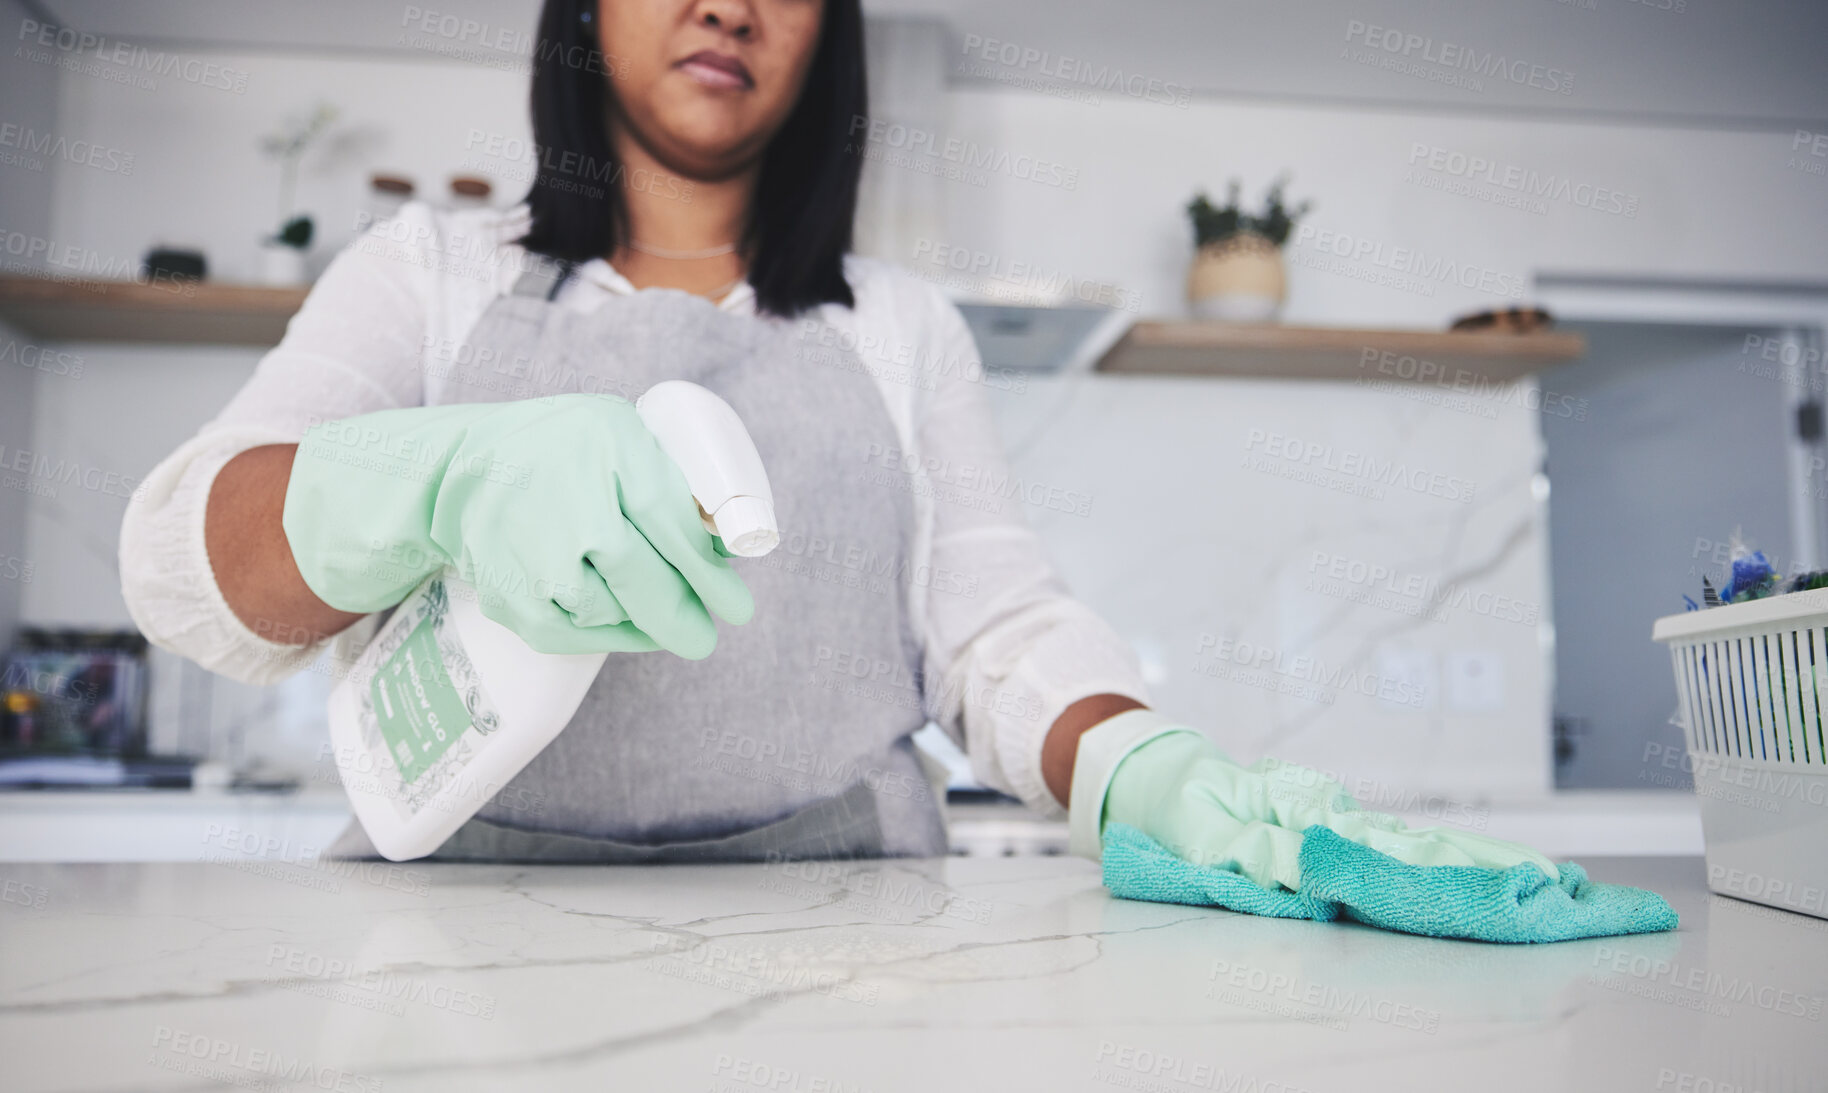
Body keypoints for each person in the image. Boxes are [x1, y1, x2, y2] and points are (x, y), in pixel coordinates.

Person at [118, 0, 1582, 905]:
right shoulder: (423, 275)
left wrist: (1149, 764)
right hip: (457, 934)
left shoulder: (901, 324)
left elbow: (995, 634)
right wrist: (426, 482)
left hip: (848, 938)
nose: (728, 4)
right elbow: (187, 562)